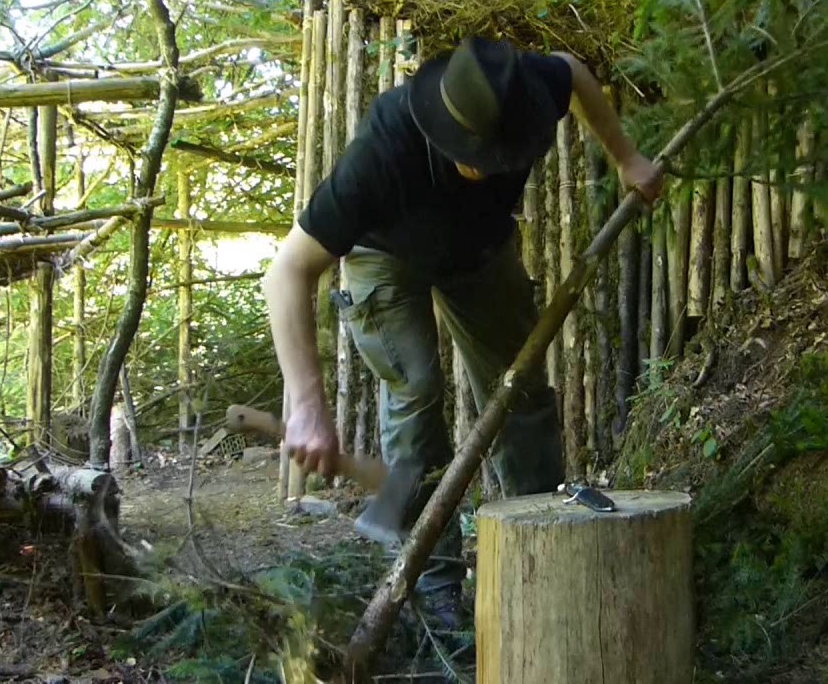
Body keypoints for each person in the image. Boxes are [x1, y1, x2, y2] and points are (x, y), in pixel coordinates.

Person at [263, 36, 663, 626]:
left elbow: (574, 70)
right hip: (385, 257)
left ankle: (543, 544)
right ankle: (434, 584)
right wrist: (306, 405)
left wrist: (626, 156)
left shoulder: (525, 87)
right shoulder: (381, 152)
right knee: (417, 389)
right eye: (478, 155)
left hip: (479, 251)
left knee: (519, 386)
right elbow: (286, 273)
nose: (493, 167)